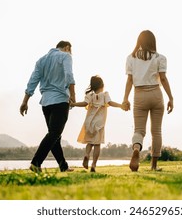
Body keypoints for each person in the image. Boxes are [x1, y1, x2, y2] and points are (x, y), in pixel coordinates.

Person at [20, 41, 76, 173]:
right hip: (60, 101)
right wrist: (73, 95)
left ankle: (63, 166)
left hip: (45, 103)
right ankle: (36, 163)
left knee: (55, 137)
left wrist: (25, 101)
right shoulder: (65, 56)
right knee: (54, 134)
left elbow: (33, 80)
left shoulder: (41, 60)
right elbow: (69, 75)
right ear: (67, 48)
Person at [122, 30, 174, 172]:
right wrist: (171, 98)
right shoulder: (160, 57)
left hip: (139, 95)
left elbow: (129, 80)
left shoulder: (130, 58)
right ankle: (154, 166)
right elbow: (163, 79)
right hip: (156, 94)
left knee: (139, 130)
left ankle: (137, 148)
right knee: (156, 131)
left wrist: (125, 98)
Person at [71, 75, 126, 172]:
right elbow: (111, 103)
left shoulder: (90, 96)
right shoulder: (105, 95)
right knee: (97, 145)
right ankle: (93, 165)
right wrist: (121, 106)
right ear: (102, 85)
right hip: (99, 124)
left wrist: (73, 104)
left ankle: (86, 154)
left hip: (89, 122)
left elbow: (84, 104)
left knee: (89, 142)